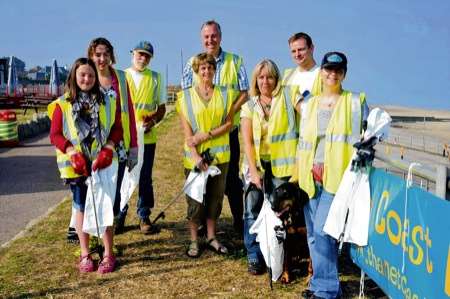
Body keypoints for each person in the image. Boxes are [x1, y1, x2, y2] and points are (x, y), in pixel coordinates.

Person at [294, 52, 368, 299]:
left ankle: (326, 290)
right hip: (310, 177)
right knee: (314, 235)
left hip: (337, 178)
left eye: (338, 70)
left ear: (344, 74)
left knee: (324, 233)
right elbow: (305, 140)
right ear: (322, 72)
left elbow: (371, 135)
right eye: (328, 69)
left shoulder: (355, 102)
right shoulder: (311, 104)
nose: (332, 74)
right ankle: (320, 285)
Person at [49, 58, 122, 273]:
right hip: (77, 166)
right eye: (83, 75)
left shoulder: (108, 100)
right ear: (74, 76)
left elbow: (117, 129)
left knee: (105, 206)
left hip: (103, 164)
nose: (87, 79)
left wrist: (109, 148)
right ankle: (85, 254)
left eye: (91, 75)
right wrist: (71, 152)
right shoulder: (62, 103)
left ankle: (108, 253)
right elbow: (55, 134)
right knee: (80, 207)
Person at [182, 20, 248, 235]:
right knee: (201, 179)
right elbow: (185, 97)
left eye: (214, 36)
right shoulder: (192, 63)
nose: (210, 40)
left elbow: (245, 92)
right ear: (202, 39)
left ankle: (239, 221)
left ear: (220, 36)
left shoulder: (235, 61)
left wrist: (228, 113)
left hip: (227, 131)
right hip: (199, 134)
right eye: (206, 37)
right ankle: (201, 224)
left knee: (229, 180)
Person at [176, 53, 238, 257]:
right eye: (203, 68)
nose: (207, 71)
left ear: (215, 70)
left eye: (210, 67)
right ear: (197, 71)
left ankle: (211, 236)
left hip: (221, 159)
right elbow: (187, 133)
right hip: (195, 159)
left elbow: (229, 124)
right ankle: (194, 240)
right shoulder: (185, 97)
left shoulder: (226, 94)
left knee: (215, 199)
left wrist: (206, 135)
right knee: (195, 201)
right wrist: (195, 156)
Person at [240, 59, 298, 274]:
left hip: (282, 166)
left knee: (279, 211)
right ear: (256, 80)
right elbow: (247, 141)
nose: (265, 81)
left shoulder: (286, 98)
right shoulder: (249, 105)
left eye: (270, 77)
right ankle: (254, 254)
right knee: (252, 210)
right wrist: (254, 172)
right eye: (261, 77)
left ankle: (278, 254)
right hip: (256, 165)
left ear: (276, 79)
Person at [86, 37, 138, 234]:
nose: (102, 59)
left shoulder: (121, 77)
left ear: (111, 56)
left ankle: (111, 227)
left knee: (115, 191)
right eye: (97, 54)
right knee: (96, 190)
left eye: (105, 54)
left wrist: (134, 146)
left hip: (119, 144)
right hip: (94, 146)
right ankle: (94, 231)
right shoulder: (86, 77)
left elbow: (130, 113)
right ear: (91, 56)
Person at [123, 41, 166, 234]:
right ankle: (119, 215)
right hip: (125, 137)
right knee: (124, 177)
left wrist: (154, 120)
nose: (143, 59)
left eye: (147, 56)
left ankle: (144, 215)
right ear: (133, 54)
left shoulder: (156, 78)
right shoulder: (121, 77)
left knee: (145, 177)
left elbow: (162, 108)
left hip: (147, 138)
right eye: (140, 54)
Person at [282, 32, 322, 97]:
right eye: (293, 51)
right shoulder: (287, 76)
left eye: (301, 49)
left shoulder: (324, 75)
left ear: (311, 48)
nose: (297, 54)